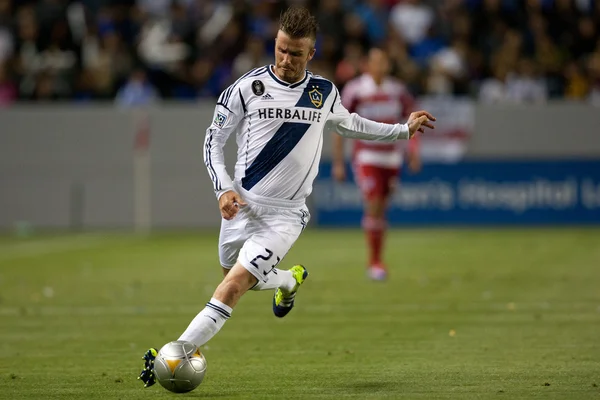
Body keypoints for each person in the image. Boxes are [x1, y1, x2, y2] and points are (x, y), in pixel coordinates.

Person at [139, 6, 435, 388]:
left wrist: (402, 131)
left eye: (296, 53)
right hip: (240, 206)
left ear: (310, 54)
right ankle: (287, 281)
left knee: (232, 288)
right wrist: (223, 187)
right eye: (281, 49)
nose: (285, 59)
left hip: (285, 216)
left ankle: (173, 354)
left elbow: (351, 125)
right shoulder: (246, 88)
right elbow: (214, 140)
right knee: (232, 275)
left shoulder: (323, 92)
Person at [332, 48, 421, 281]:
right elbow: (338, 124)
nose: (380, 66)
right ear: (367, 65)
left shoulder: (397, 90)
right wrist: (338, 162)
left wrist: (412, 151)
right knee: (373, 204)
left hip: (392, 157)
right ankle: (374, 262)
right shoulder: (356, 90)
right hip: (367, 156)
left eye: (384, 61)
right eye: (376, 61)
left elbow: (412, 119)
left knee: (381, 209)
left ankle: (378, 258)